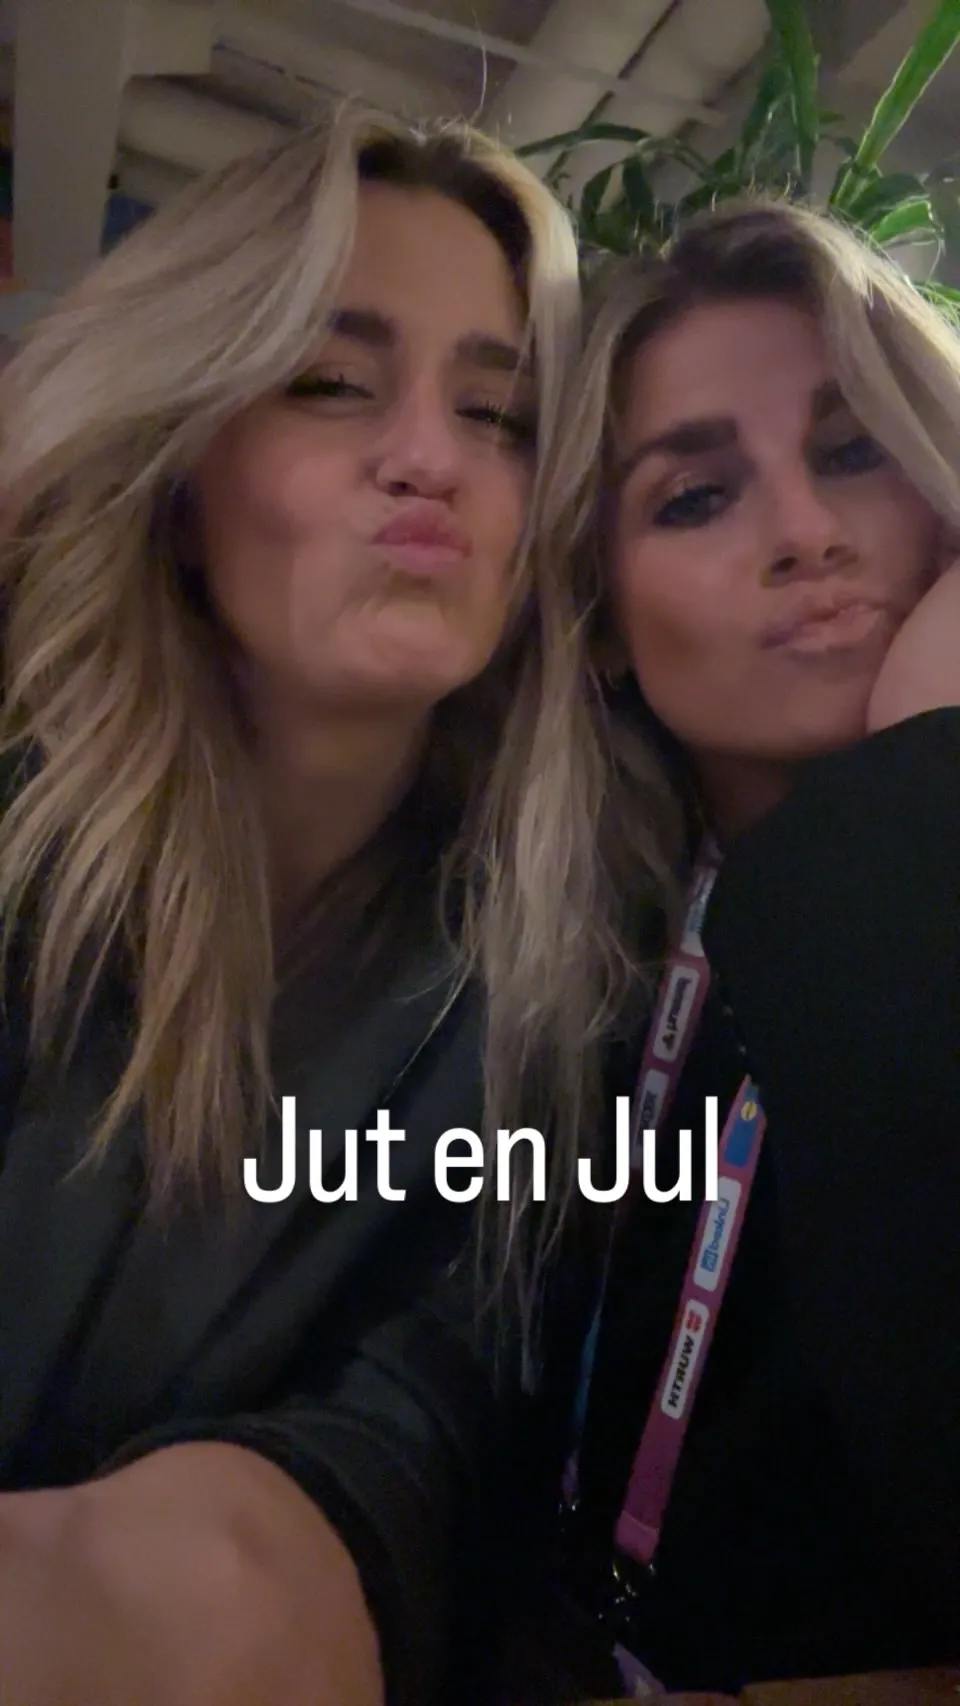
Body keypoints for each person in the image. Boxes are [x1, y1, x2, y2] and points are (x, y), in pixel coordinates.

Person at [0, 103, 606, 1706]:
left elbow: (398, 1446)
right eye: (332, 384)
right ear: (179, 462)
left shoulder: (548, 990)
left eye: (499, 412)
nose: (430, 458)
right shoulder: (22, 843)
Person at [534, 200, 960, 1697]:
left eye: (853, 451)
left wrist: (927, 773)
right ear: (598, 613)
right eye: (698, 496)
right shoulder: (563, 961)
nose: (809, 535)